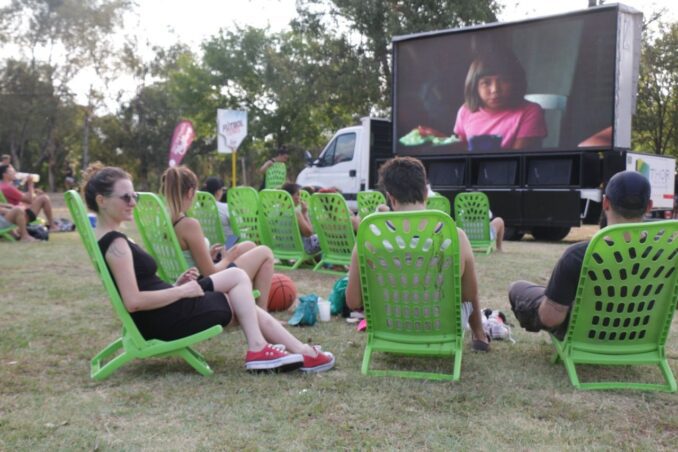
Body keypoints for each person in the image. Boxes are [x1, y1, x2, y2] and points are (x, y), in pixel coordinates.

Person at [84, 163, 334, 373]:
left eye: (134, 196)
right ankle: (263, 350)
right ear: (101, 200)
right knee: (237, 281)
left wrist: (176, 284)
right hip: (164, 319)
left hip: (165, 309)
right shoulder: (116, 245)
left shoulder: (113, 238)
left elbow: (140, 287)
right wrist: (181, 292)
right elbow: (133, 301)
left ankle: (291, 350)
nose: (132, 202)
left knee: (238, 287)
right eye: (125, 197)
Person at [345, 156, 491, 351]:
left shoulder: (368, 237)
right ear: (425, 192)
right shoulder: (456, 236)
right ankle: (479, 335)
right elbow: (469, 295)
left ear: (391, 197)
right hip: (440, 327)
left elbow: (353, 301)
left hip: (390, 327)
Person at [508, 171, 652, 339]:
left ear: (606, 203)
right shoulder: (668, 254)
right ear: (649, 206)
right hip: (636, 335)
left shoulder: (578, 255)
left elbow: (551, 319)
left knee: (517, 287)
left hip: (588, 336)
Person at [160, 166, 276, 311]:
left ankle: (248, 305)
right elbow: (211, 273)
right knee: (265, 252)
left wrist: (208, 255)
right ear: (190, 192)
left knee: (248, 246)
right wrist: (227, 258)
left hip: (184, 279)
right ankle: (261, 311)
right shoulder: (189, 225)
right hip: (203, 286)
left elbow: (185, 256)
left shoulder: (163, 220)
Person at [453, 48, 547, 151]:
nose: (495, 90)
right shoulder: (465, 110)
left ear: (515, 82)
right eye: (486, 83)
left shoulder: (530, 111)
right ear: (474, 86)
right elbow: (460, 151)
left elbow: (517, 158)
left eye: (504, 80)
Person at [0, 164, 56, 230]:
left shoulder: (3, 185)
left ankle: (52, 226)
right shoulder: (8, 187)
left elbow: (23, 197)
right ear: (5, 175)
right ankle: (53, 226)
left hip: (13, 214)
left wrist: (34, 193)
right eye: (12, 171)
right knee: (44, 198)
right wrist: (30, 184)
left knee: (40, 197)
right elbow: (29, 200)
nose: (15, 173)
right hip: (20, 217)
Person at [282, 182, 321, 255]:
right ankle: (334, 264)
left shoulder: (274, 211)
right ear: (290, 196)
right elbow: (309, 233)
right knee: (325, 237)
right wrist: (305, 213)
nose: (299, 198)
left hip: (282, 248)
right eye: (298, 194)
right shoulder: (295, 212)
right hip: (303, 249)